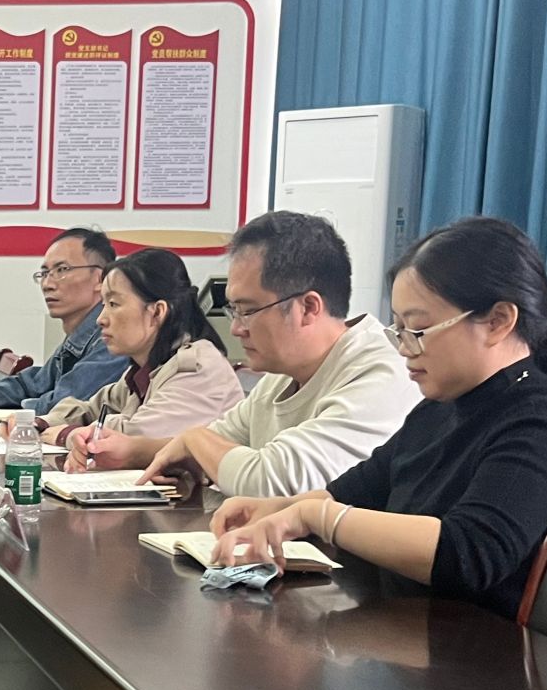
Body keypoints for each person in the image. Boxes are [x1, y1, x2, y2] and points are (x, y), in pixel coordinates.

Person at [211, 217, 547, 618]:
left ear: (498, 321)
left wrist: (314, 516)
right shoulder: (439, 409)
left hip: (488, 652)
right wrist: (278, 511)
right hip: (411, 630)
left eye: (419, 330)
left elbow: (466, 553)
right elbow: (354, 491)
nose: (404, 348)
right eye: (399, 330)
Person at [80, 211, 419, 493]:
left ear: (308, 308)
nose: (236, 329)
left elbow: (275, 479)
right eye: (234, 311)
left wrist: (194, 439)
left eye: (248, 310)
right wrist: (127, 451)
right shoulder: (281, 378)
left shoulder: (382, 371)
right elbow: (218, 443)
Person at [41, 248, 245, 451]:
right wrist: (42, 424)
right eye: (103, 304)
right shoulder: (142, 371)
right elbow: (90, 408)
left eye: (113, 304)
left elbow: (135, 438)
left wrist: (67, 434)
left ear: (157, 312)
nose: (100, 319)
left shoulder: (197, 369)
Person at [0, 229, 126, 411]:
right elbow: (32, 385)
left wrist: (11, 413)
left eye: (62, 270)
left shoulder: (111, 339)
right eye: (45, 273)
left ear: (100, 279)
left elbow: (61, 406)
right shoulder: (79, 333)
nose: (47, 284)